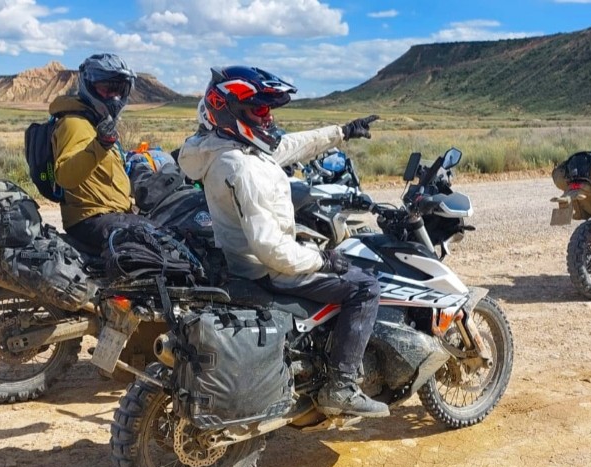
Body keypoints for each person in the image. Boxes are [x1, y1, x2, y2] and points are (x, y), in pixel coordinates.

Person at [177, 65, 386, 418]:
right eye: (259, 109)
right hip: (269, 269)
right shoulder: (241, 167)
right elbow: (271, 248)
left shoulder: (223, 149)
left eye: (268, 109)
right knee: (365, 287)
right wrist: (322, 260)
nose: (268, 118)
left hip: (241, 262)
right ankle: (341, 385)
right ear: (229, 111)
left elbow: (287, 146)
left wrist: (342, 132)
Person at [49, 52, 155, 251]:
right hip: (91, 218)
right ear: (89, 87)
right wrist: (101, 144)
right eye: (106, 89)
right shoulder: (75, 123)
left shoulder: (95, 123)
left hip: (111, 215)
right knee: (159, 242)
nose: (113, 97)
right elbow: (64, 176)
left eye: (119, 90)